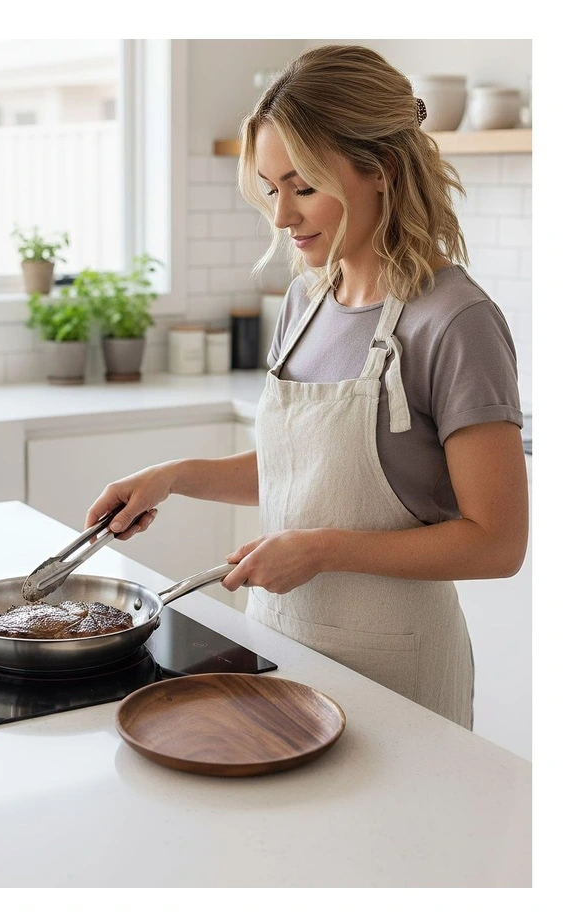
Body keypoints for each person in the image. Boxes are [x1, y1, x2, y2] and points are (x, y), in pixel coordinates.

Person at [85, 44, 529, 730]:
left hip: (398, 675)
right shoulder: (305, 301)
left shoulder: (455, 320)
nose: (282, 216)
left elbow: (496, 543)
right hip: (280, 650)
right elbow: (306, 472)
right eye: (270, 189)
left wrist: (320, 550)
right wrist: (171, 477)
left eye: (303, 186)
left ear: (378, 170)